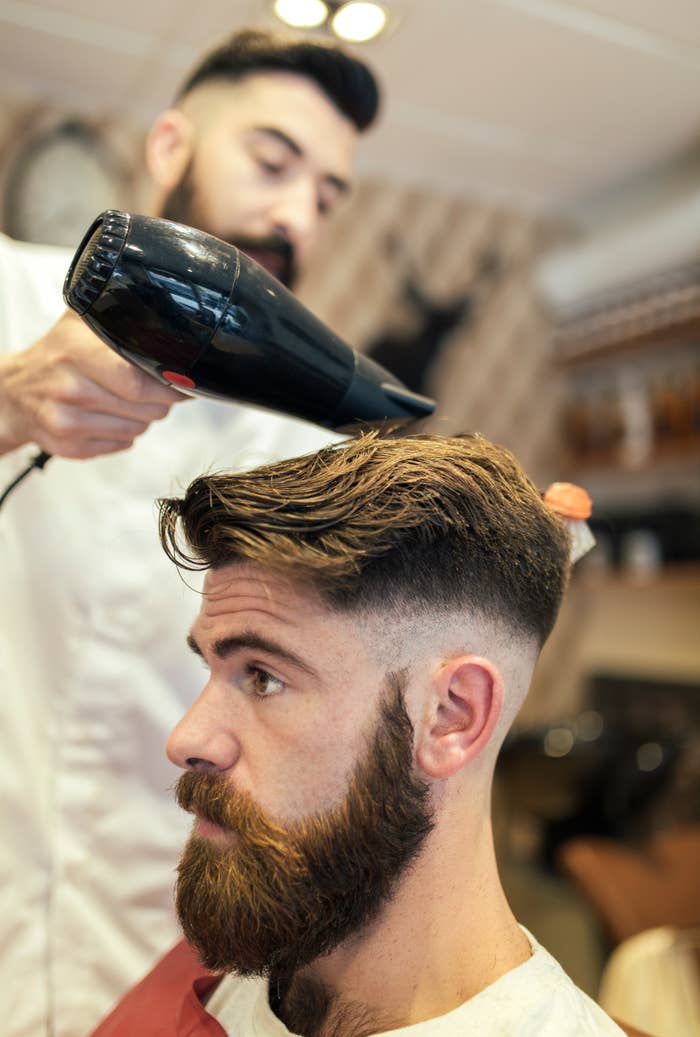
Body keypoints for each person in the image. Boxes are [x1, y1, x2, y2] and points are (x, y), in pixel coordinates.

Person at [0, 29, 380, 1037]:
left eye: (327, 194)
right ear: (170, 144)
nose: (296, 213)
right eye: (271, 161)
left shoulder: (302, 439)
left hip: (155, 951)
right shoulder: (5, 295)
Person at [90, 430, 626, 1036]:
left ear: (453, 715)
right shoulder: (204, 980)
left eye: (263, 678)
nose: (187, 739)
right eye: (213, 668)